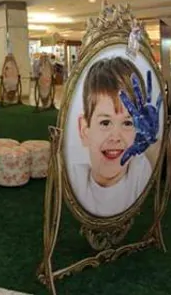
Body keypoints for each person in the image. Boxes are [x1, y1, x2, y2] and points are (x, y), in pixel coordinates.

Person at [69, 56, 162, 217]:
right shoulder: (76, 179)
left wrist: (150, 141)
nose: (115, 137)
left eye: (127, 123)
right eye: (105, 123)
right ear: (84, 130)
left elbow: (158, 157)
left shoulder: (140, 173)